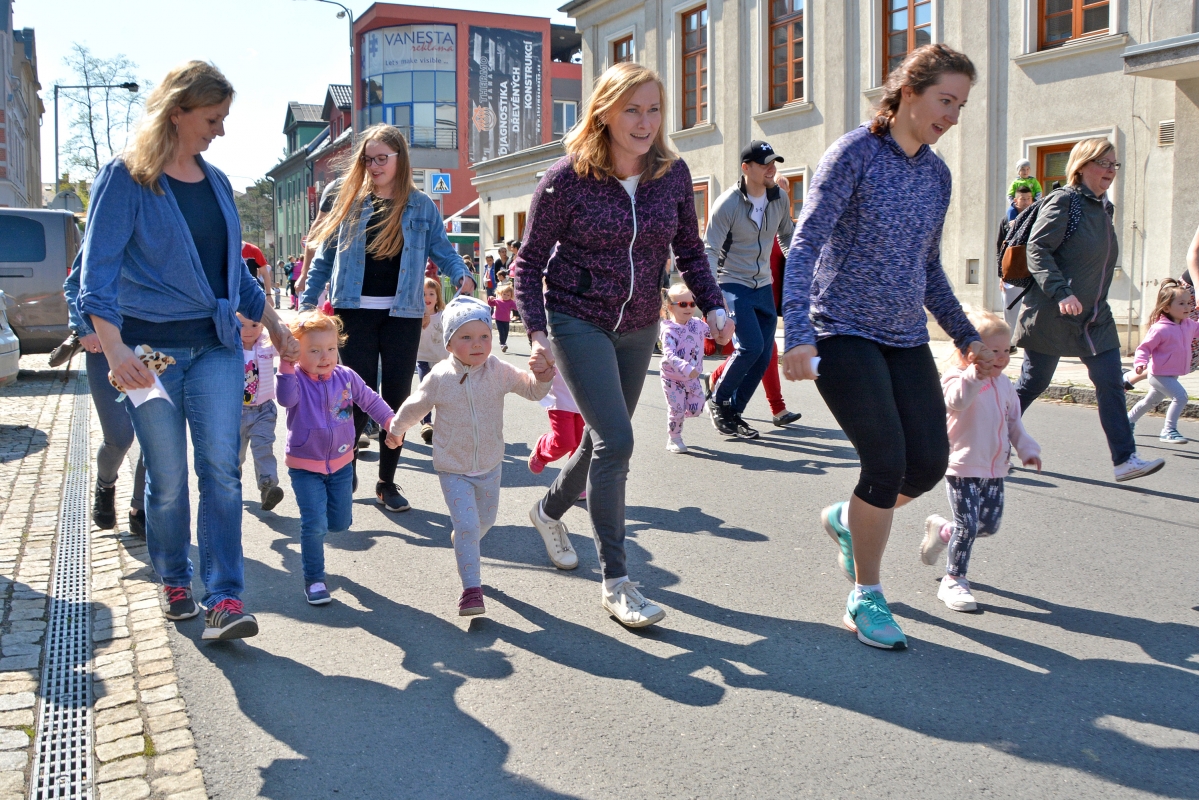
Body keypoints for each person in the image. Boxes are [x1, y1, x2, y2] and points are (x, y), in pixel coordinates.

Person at [79, 60, 299, 641]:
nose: (219, 131)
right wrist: (113, 347)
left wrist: (275, 325)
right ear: (177, 112)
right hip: (149, 357)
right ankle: (174, 575)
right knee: (169, 477)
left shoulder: (219, 183)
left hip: (217, 350)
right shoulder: (126, 179)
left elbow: (235, 281)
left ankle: (225, 597)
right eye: (212, 118)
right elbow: (95, 278)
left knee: (222, 473)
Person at [781, 44, 992, 650]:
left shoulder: (936, 175)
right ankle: (867, 595)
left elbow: (928, 269)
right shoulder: (855, 154)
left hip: (903, 335)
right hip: (841, 328)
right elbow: (806, 245)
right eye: (944, 100)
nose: (952, 115)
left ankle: (850, 520)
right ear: (908, 92)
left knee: (926, 464)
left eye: (961, 105)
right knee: (884, 461)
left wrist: (966, 334)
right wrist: (797, 333)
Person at [513, 62, 732, 628]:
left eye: (653, 109)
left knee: (604, 439)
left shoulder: (673, 175)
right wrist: (538, 333)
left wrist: (713, 305)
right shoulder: (567, 178)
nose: (644, 121)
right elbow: (528, 262)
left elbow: (689, 248)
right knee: (618, 440)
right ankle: (617, 580)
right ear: (604, 112)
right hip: (577, 318)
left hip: (638, 324)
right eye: (631, 109)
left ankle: (547, 510)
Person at [302, 123, 475, 513]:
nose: (375, 166)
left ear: (400, 159)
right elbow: (324, 260)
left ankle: (386, 482)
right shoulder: (350, 202)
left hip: (403, 314)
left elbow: (442, 250)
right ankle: (346, 467)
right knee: (356, 397)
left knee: (396, 402)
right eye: (369, 159)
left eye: (383, 158)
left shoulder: (421, 206)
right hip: (354, 312)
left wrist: (460, 273)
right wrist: (306, 302)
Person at [386, 296, 554, 615]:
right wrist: (396, 430)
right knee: (467, 525)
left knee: (483, 522)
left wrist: (543, 376)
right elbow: (414, 406)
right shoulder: (439, 377)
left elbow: (531, 389)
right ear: (449, 343)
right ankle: (471, 589)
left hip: (490, 466)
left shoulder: (499, 371)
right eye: (466, 337)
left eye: (484, 336)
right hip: (454, 469)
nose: (477, 344)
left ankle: (464, 538)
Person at [1012, 137, 1165, 483]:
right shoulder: (1065, 201)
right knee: (1032, 383)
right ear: (1081, 167)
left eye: (1115, 164)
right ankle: (989, 440)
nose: (1111, 170)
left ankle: (1125, 459)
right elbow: (1037, 249)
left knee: (1111, 382)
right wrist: (1061, 291)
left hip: (1094, 317)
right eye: (1104, 163)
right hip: (1054, 313)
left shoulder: (1103, 209)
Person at [920, 308, 1041, 612]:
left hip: (996, 468)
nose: (1001, 357)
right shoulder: (955, 377)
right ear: (969, 351)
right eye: (993, 351)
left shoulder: (1005, 385)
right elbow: (957, 400)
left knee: (988, 525)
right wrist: (975, 374)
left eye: (1005, 350)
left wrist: (1026, 447)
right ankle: (954, 580)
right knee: (969, 525)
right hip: (962, 464)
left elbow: (1013, 422)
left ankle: (943, 531)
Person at [277, 311, 395, 605]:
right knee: (313, 524)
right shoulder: (295, 379)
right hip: (305, 466)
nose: (325, 356)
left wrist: (392, 423)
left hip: (342, 463)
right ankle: (315, 579)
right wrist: (286, 365)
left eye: (330, 348)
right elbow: (285, 399)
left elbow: (370, 400)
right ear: (298, 352)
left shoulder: (346, 376)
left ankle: (321, 529)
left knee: (340, 523)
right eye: (314, 350)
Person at [704, 139, 795, 440]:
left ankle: (735, 411)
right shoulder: (728, 203)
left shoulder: (779, 198)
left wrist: (799, 265)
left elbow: (786, 235)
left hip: (763, 285)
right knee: (752, 347)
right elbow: (710, 250)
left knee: (764, 352)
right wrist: (711, 299)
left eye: (774, 163)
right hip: (732, 282)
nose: (772, 168)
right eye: (764, 163)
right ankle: (718, 400)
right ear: (746, 168)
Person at [64, 254, 147, 535]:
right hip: (105, 345)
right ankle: (105, 484)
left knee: (156, 435)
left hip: (150, 346)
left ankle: (141, 508)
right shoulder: (108, 219)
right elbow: (75, 284)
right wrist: (85, 329)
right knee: (119, 436)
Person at [1127, 279, 1199, 443]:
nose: (1187, 307)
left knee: (1150, 401)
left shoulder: (1188, 325)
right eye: (1181, 303)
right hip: (1158, 373)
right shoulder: (1160, 328)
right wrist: (1140, 363)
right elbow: (1144, 348)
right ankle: (1168, 430)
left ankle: (1126, 422)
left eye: (1189, 303)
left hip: (1172, 374)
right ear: (1166, 308)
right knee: (1181, 397)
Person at [236, 312, 284, 511]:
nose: (248, 331)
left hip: (264, 410)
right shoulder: (228, 346)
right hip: (234, 412)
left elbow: (285, 341)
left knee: (263, 449)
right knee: (234, 456)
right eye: (242, 325)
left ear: (263, 326)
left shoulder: (266, 344)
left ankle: (268, 487)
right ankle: (230, 487)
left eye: (254, 325)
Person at [659, 283, 709, 453]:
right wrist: (686, 367)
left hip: (692, 377)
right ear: (670, 308)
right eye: (682, 304)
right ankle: (674, 437)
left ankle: (680, 414)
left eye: (692, 304)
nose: (689, 308)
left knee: (696, 409)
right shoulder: (669, 330)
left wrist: (724, 327)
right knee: (676, 409)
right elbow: (669, 355)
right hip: (672, 377)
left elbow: (713, 333)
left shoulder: (697, 324)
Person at [528, 369, 585, 479]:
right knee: (564, 441)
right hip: (560, 397)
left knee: (582, 445)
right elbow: (542, 354)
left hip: (587, 398)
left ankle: (575, 481)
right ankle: (542, 449)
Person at [997, 185, 1036, 333]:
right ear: (1015, 200)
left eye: (1028, 199)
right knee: (1010, 307)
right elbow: (999, 248)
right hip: (1012, 269)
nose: (1026, 202)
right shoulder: (1006, 220)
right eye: (1023, 199)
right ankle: (1009, 343)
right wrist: (1001, 274)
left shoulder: (1038, 218)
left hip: (1032, 269)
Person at [416, 276, 447, 444]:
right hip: (423, 359)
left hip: (442, 360)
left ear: (437, 297)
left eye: (431, 294)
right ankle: (426, 422)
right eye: (423, 294)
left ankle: (444, 424)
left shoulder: (443, 315)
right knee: (427, 391)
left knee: (443, 393)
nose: (427, 298)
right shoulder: (415, 316)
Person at [488, 284, 517, 352]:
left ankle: (503, 342)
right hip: (498, 319)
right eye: (504, 294)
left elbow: (516, 307)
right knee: (501, 332)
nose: (506, 296)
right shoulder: (498, 301)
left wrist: (520, 304)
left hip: (506, 320)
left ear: (511, 296)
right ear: (501, 294)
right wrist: (490, 299)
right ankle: (503, 344)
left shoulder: (511, 302)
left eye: (508, 295)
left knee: (506, 332)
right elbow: (490, 304)